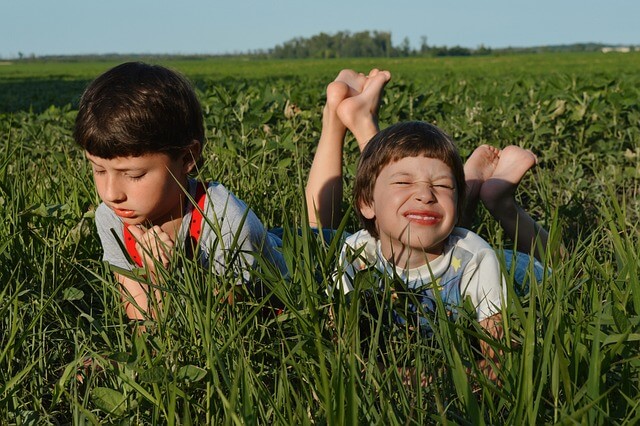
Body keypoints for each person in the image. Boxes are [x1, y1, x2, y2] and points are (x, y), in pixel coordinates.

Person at [305, 69, 549, 382]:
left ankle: (502, 203)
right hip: (451, 249)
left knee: (566, 274)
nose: (424, 194)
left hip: (508, 272)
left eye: (443, 186)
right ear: (365, 204)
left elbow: (499, 363)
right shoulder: (357, 254)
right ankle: (470, 185)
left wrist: (435, 384)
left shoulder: (477, 260)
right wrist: (393, 377)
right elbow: (340, 345)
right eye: (404, 182)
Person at [74, 62, 287, 323]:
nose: (111, 193)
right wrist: (155, 276)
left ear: (187, 158)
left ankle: (338, 114)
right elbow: (146, 324)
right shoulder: (111, 218)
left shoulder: (228, 223)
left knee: (321, 224)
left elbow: (222, 327)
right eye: (98, 170)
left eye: (134, 175)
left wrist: (164, 276)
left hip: (321, 264)